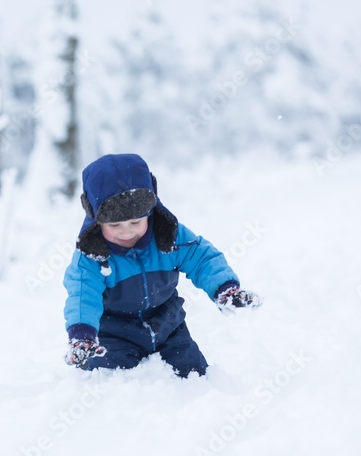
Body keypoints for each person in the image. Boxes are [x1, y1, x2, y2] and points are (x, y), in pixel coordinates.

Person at [63, 153, 261, 377]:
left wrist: (225, 288)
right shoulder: (91, 256)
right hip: (116, 334)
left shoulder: (167, 236)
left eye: (136, 222)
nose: (126, 231)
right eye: (115, 224)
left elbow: (202, 258)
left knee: (194, 374)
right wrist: (82, 335)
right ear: (96, 218)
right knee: (113, 378)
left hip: (168, 327)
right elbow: (82, 295)